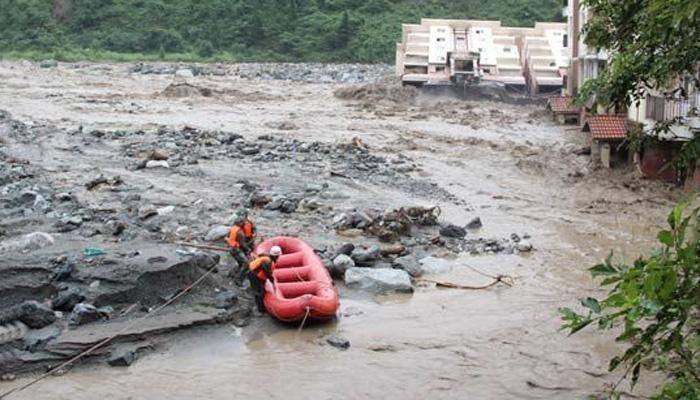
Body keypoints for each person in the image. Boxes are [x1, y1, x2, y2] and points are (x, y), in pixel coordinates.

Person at [248, 245, 282, 311]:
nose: (278, 257)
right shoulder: (267, 261)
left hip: (256, 275)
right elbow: (267, 272)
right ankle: (260, 309)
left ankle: (260, 305)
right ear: (276, 256)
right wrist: (272, 280)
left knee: (261, 290)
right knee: (259, 292)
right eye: (278, 256)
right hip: (254, 275)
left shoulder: (268, 258)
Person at [226, 215, 252, 279]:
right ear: (240, 223)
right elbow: (242, 244)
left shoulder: (233, 228)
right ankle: (238, 280)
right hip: (236, 250)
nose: (244, 224)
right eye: (243, 223)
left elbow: (227, 237)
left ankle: (231, 274)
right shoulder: (240, 233)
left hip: (231, 248)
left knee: (240, 263)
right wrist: (249, 249)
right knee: (247, 264)